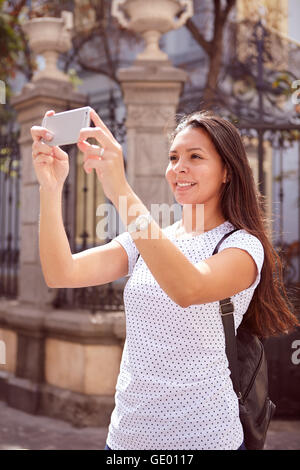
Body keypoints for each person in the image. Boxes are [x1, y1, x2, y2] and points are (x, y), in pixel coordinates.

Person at [31, 109, 299, 450]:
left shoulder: (241, 246)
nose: (179, 168)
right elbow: (61, 273)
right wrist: (50, 188)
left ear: (227, 172)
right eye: (174, 157)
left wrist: (120, 191)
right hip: (126, 438)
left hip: (205, 438)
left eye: (195, 156)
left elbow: (188, 288)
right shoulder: (151, 239)